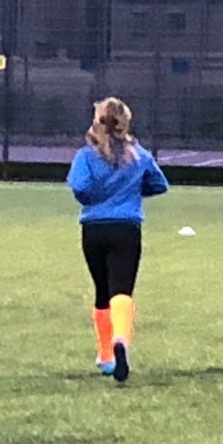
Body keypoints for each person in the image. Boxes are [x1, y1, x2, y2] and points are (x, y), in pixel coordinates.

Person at [67, 97, 169, 383]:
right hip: (126, 228)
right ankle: (121, 340)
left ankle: (106, 356)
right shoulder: (138, 155)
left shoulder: (86, 156)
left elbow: (80, 188)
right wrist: (131, 192)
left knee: (102, 292)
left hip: (93, 228)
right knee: (121, 290)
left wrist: (98, 198)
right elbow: (160, 184)